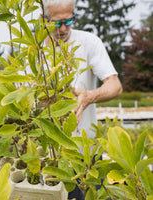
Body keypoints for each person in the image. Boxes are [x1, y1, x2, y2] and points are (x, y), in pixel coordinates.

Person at [42, 0, 123, 199]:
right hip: (46, 156)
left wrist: (88, 97)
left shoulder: (89, 42)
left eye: (69, 20)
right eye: (56, 22)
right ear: (43, 19)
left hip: (85, 155)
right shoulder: (32, 51)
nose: (63, 28)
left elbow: (115, 86)